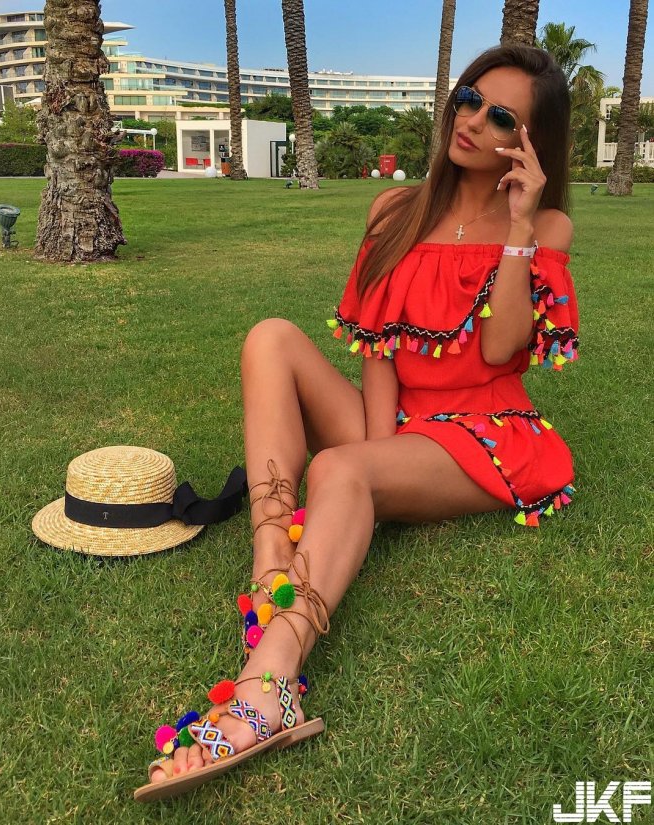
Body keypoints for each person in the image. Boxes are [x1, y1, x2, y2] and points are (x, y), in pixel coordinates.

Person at [136, 43, 579, 800]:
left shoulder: (546, 226)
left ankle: (268, 689)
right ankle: (271, 559)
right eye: (469, 98)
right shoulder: (396, 211)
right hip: (401, 424)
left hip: (487, 434)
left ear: (530, 144)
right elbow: (378, 352)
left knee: (338, 468)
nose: (472, 119)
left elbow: (503, 350)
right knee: (271, 338)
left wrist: (518, 226)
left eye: (501, 116)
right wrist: (381, 459)